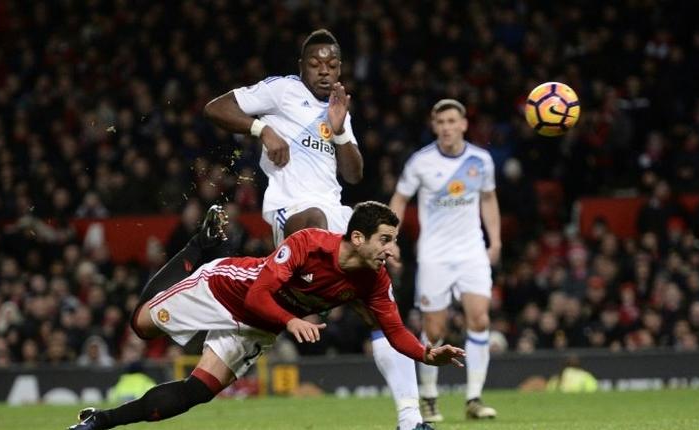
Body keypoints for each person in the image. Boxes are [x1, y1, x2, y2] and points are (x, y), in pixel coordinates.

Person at [67, 201, 465, 430]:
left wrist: (426, 354)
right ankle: (196, 247)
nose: (391, 250)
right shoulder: (308, 243)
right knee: (140, 326)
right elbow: (259, 295)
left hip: (260, 326)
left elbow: (394, 331)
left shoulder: (373, 280)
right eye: (385, 240)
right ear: (357, 238)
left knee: (198, 391)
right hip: (226, 289)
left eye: (393, 241)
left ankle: (101, 422)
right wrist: (291, 321)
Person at [204, 29, 427, 430]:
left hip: (335, 208)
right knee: (316, 225)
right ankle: (314, 293)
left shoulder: (339, 108)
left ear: (341, 68)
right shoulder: (281, 91)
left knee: (380, 307)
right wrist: (262, 130)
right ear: (301, 67)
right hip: (290, 210)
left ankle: (410, 419)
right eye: (315, 64)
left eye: (332, 64)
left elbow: (354, 173)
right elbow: (215, 107)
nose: (324, 71)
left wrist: (340, 129)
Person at [389, 99, 501, 421]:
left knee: (479, 319)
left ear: (464, 124)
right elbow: (399, 198)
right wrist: (390, 238)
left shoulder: (481, 160)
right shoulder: (420, 162)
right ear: (434, 126)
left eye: (452, 121)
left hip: (471, 251)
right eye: (441, 122)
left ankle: (474, 399)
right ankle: (428, 397)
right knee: (434, 329)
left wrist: (495, 241)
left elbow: (489, 199)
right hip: (434, 254)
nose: (447, 127)